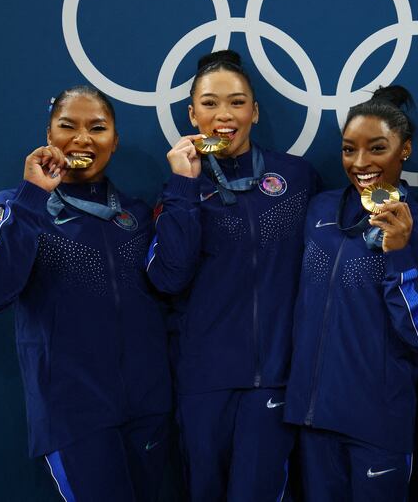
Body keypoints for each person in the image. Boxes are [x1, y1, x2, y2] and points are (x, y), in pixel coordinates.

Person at [0, 86, 172, 501]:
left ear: (115, 140)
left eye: (97, 128)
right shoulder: (16, 207)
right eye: (67, 126)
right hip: (73, 415)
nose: (82, 139)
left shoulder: (136, 214)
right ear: (48, 134)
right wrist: (31, 198)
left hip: (149, 409)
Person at [145, 50, 318, 501]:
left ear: (255, 111)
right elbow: (168, 278)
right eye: (209, 103)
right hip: (204, 381)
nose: (224, 115)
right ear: (191, 113)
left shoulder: (296, 178)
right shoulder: (179, 188)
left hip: (277, 379)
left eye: (237, 102)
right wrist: (183, 188)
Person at [283, 86, 418, 502]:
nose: (360, 163)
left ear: (405, 150)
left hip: (378, 424)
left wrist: (400, 257)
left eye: (377, 148)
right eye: (348, 149)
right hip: (312, 420)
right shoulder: (320, 212)